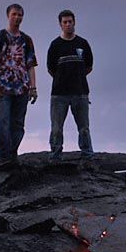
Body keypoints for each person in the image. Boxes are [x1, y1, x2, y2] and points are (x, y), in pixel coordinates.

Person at [0, 3, 38, 168]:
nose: (17, 18)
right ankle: (3, 156)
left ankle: (12, 153)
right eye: (14, 14)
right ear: (8, 15)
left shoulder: (26, 40)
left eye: (20, 15)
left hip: (21, 88)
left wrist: (33, 87)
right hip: (3, 87)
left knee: (18, 124)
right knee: (3, 122)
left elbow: (30, 64)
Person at [46, 9, 94, 162]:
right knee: (56, 128)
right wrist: (62, 78)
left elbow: (89, 66)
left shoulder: (83, 44)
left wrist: (77, 78)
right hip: (59, 93)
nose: (68, 25)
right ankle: (55, 156)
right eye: (65, 22)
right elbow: (51, 68)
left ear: (74, 23)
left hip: (80, 92)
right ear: (60, 24)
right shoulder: (55, 45)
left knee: (84, 127)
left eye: (70, 22)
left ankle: (87, 155)